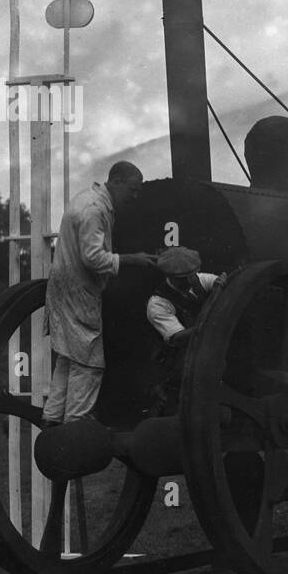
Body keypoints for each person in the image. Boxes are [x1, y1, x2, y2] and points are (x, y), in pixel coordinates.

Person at [42, 162, 156, 425]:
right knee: (90, 363)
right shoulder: (94, 209)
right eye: (132, 189)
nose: (135, 196)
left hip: (63, 286)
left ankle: (51, 417)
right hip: (79, 291)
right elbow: (92, 258)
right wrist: (132, 260)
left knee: (68, 358)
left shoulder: (87, 200)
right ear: (115, 181)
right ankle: (75, 426)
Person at [145, 247, 225, 410]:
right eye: (183, 278)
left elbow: (225, 285)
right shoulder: (158, 303)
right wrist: (210, 324)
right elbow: (178, 338)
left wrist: (221, 285)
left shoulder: (199, 280)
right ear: (170, 276)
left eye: (192, 275)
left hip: (202, 360)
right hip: (174, 365)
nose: (190, 280)